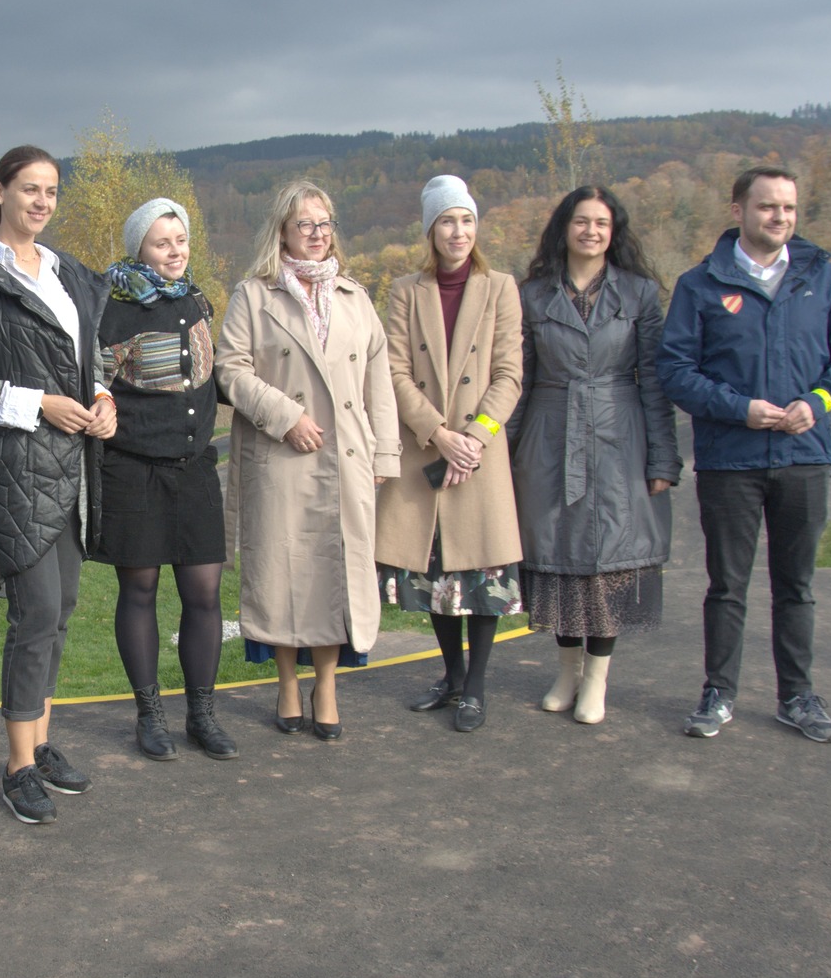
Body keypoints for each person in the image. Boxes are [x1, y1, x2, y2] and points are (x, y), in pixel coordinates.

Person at [657, 166, 831, 742]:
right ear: (738, 211)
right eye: (767, 207)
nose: (779, 218)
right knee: (727, 585)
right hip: (732, 459)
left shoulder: (823, 279)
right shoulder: (699, 285)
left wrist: (819, 401)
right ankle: (718, 692)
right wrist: (739, 408)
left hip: (804, 455)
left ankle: (797, 696)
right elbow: (675, 371)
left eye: (789, 209)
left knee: (796, 585)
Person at [0, 146, 119, 824]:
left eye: (50, 191)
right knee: (36, 612)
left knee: (64, 607)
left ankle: (40, 745)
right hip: (12, 466)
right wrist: (37, 403)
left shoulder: (69, 273)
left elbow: (91, 356)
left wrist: (102, 396)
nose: (41, 202)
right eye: (28, 189)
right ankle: (16, 767)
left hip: (74, 464)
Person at [214, 180, 399, 740]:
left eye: (325, 224)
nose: (317, 235)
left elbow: (379, 382)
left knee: (333, 574)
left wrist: (383, 452)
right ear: (282, 232)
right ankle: (288, 684)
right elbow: (230, 370)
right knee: (283, 577)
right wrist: (284, 415)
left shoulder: (355, 297)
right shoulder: (254, 295)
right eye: (304, 225)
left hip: (344, 460)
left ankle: (329, 686)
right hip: (281, 459)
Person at [508, 186, 681, 724]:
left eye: (602, 223)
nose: (591, 231)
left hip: (618, 434)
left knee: (608, 559)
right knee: (556, 555)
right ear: (564, 228)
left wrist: (662, 460)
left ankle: (598, 680)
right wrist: (504, 457)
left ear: (614, 231)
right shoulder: (532, 295)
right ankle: (566, 671)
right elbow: (520, 380)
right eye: (581, 221)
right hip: (548, 431)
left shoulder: (639, 294)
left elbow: (653, 382)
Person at [376, 175, 525, 733]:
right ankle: (452, 677)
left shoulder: (500, 288)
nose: (457, 231)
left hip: (479, 455)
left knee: (479, 571)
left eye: (465, 219)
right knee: (437, 571)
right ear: (430, 230)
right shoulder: (405, 290)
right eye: (446, 221)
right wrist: (439, 435)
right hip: (428, 450)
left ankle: (477, 689)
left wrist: (474, 439)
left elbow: (509, 373)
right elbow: (392, 370)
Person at [96, 197, 236, 762]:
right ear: (140, 249)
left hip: (195, 467)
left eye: (180, 241)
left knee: (204, 592)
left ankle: (201, 714)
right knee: (141, 590)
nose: (174, 252)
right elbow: (95, 381)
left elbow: (211, 374)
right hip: (132, 469)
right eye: (162, 242)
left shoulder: (196, 298)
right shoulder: (113, 306)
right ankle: (149, 715)